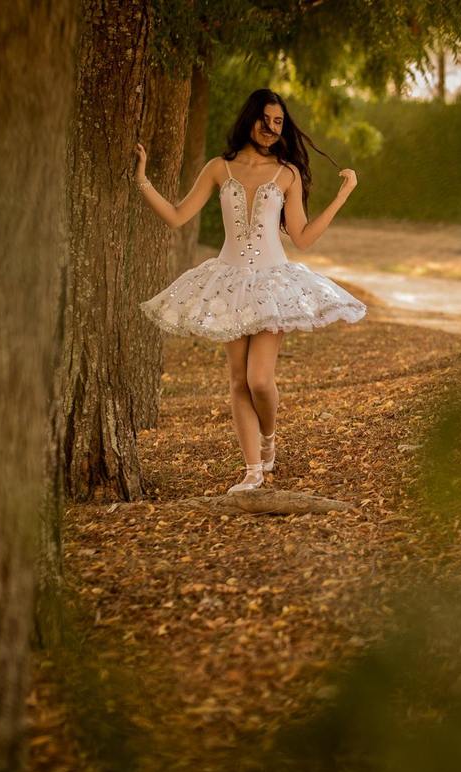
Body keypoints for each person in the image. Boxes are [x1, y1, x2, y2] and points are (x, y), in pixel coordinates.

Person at [134, 88, 367, 495]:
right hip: (228, 282)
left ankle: (269, 437)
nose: (272, 129)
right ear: (250, 119)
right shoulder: (218, 169)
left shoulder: (287, 173)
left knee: (260, 380)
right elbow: (176, 216)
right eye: (266, 120)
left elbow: (303, 238)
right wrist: (142, 179)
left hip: (272, 283)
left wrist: (343, 195)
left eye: (279, 123)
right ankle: (253, 471)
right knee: (238, 381)